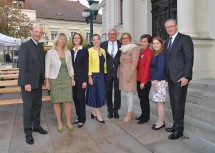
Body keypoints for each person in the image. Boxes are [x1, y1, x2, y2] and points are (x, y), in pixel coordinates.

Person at [18, 25, 48, 145]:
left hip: (38, 83)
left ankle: (36, 126)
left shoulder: (40, 46)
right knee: (28, 108)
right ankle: (28, 133)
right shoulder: (25, 45)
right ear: (31, 32)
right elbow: (22, 65)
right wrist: (26, 83)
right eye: (36, 31)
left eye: (40, 32)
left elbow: (42, 64)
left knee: (37, 106)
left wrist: (44, 79)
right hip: (28, 84)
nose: (38, 34)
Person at [164, 19, 194, 139]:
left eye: (171, 26)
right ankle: (175, 126)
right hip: (170, 78)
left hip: (181, 78)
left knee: (179, 104)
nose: (169, 29)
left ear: (176, 26)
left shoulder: (185, 39)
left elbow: (189, 59)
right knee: (173, 103)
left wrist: (186, 76)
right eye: (167, 27)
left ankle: (179, 130)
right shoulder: (166, 41)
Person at [45, 33, 75, 133]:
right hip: (55, 79)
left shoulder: (68, 52)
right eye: (61, 39)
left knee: (67, 102)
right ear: (57, 40)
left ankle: (68, 122)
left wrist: (72, 78)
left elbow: (70, 66)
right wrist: (47, 81)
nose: (62, 41)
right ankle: (59, 122)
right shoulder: (50, 52)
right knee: (56, 102)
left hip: (66, 78)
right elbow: (47, 67)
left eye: (64, 39)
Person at [118, 32, 140, 122]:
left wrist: (130, 75)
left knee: (130, 94)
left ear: (130, 39)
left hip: (129, 72)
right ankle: (129, 112)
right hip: (123, 72)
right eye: (123, 38)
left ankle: (129, 114)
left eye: (126, 38)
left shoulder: (134, 47)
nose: (125, 40)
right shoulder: (123, 48)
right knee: (126, 94)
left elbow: (135, 62)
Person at [100, 29, 121, 119]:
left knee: (117, 91)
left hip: (118, 72)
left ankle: (116, 110)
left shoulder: (121, 44)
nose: (112, 36)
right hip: (107, 72)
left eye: (113, 34)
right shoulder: (103, 44)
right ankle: (110, 109)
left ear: (116, 34)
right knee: (108, 91)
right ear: (108, 35)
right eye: (110, 34)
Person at [86, 34, 107, 123]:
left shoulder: (103, 50)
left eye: (98, 39)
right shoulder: (89, 51)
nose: (96, 41)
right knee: (95, 95)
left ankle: (93, 112)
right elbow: (88, 65)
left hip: (102, 75)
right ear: (92, 41)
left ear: (100, 40)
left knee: (101, 94)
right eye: (94, 39)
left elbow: (104, 63)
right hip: (94, 75)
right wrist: (89, 77)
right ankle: (98, 115)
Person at [70, 33, 88, 128]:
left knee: (81, 99)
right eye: (75, 38)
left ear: (81, 39)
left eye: (78, 38)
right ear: (73, 39)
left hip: (81, 79)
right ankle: (78, 117)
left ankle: (82, 119)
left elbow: (86, 66)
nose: (76, 39)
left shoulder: (84, 51)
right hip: (73, 79)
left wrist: (85, 80)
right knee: (75, 98)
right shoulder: (71, 51)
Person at [150, 36, 167, 130]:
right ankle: (160, 120)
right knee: (158, 102)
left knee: (160, 103)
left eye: (157, 43)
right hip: (155, 81)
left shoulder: (161, 54)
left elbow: (161, 69)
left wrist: (156, 81)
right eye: (154, 43)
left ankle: (161, 122)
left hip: (159, 81)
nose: (155, 45)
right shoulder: (156, 53)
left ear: (161, 44)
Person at [136, 34, 153, 124]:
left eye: (145, 41)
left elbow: (147, 68)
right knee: (141, 98)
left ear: (149, 43)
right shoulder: (141, 51)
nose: (143, 43)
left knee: (144, 98)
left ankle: (145, 118)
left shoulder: (149, 52)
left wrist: (143, 82)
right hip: (138, 79)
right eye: (142, 41)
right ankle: (143, 114)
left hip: (145, 80)